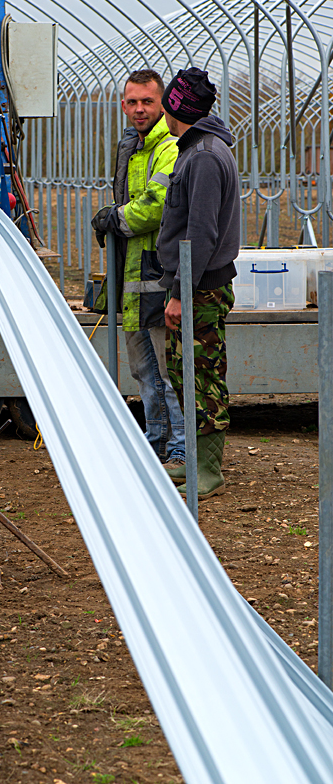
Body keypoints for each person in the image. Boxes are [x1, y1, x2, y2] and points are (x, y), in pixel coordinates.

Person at [92, 69, 186, 466]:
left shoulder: (170, 148)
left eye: (147, 101)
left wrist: (113, 219)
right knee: (143, 370)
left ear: (162, 103)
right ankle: (157, 443)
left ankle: (181, 449)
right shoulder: (133, 147)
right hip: (134, 275)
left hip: (158, 274)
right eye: (132, 102)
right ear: (123, 104)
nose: (139, 109)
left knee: (165, 370)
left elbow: (156, 204)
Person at [156, 67, 240, 500]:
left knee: (202, 375)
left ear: (175, 106)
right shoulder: (197, 149)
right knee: (186, 372)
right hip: (196, 285)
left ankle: (208, 472)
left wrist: (179, 293)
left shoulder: (204, 156)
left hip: (201, 287)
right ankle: (194, 462)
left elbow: (201, 233)